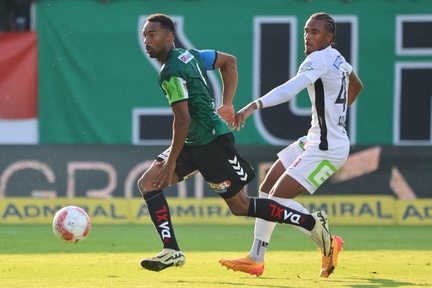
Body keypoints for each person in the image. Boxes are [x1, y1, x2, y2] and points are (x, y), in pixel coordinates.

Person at [138, 13, 334, 273]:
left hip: (212, 143)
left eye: (152, 35)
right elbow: (229, 62)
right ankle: (171, 250)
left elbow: (182, 120)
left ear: (169, 36)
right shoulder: (192, 55)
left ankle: (310, 223)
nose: (147, 41)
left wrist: (171, 160)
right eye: (145, 36)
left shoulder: (171, 71)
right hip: (194, 140)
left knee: (241, 206)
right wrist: (227, 102)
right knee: (148, 183)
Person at [218, 12, 363, 278]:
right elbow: (357, 85)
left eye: (315, 32)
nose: (308, 36)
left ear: (330, 37)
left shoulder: (318, 59)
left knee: (277, 199)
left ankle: (324, 237)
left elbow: (290, 88)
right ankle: (256, 258)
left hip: (327, 148)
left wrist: (253, 105)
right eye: (307, 31)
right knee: (266, 189)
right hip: (314, 138)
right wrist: (334, 118)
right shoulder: (337, 58)